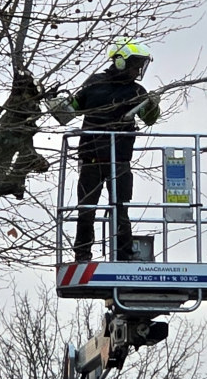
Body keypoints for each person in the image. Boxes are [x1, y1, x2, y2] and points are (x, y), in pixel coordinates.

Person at [66, 38, 161, 262]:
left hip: (120, 160)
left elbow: (149, 120)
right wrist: (58, 104)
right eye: (134, 64)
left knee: (121, 209)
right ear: (119, 62)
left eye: (140, 65)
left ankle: (124, 255)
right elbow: (72, 109)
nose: (137, 69)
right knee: (87, 209)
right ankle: (83, 254)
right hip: (91, 157)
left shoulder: (137, 91)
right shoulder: (94, 84)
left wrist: (152, 105)